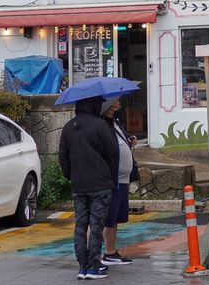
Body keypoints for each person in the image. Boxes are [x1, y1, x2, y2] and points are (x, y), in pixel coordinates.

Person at [59, 95, 117, 280]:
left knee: (80, 226)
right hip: (100, 184)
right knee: (97, 225)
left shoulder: (68, 127)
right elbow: (112, 152)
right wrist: (105, 170)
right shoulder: (100, 125)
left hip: (79, 186)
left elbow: (63, 157)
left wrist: (71, 175)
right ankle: (93, 265)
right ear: (93, 105)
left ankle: (82, 266)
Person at [101, 97, 136, 266]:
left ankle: (111, 252)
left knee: (114, 218)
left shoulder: (115, 121)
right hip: (112, 179)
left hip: (123, 179)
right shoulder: (102, 124)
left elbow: (121, 140)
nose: (118, 105)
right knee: (107, 218)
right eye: (115, 102)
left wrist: (129, 141)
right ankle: (100, 254)